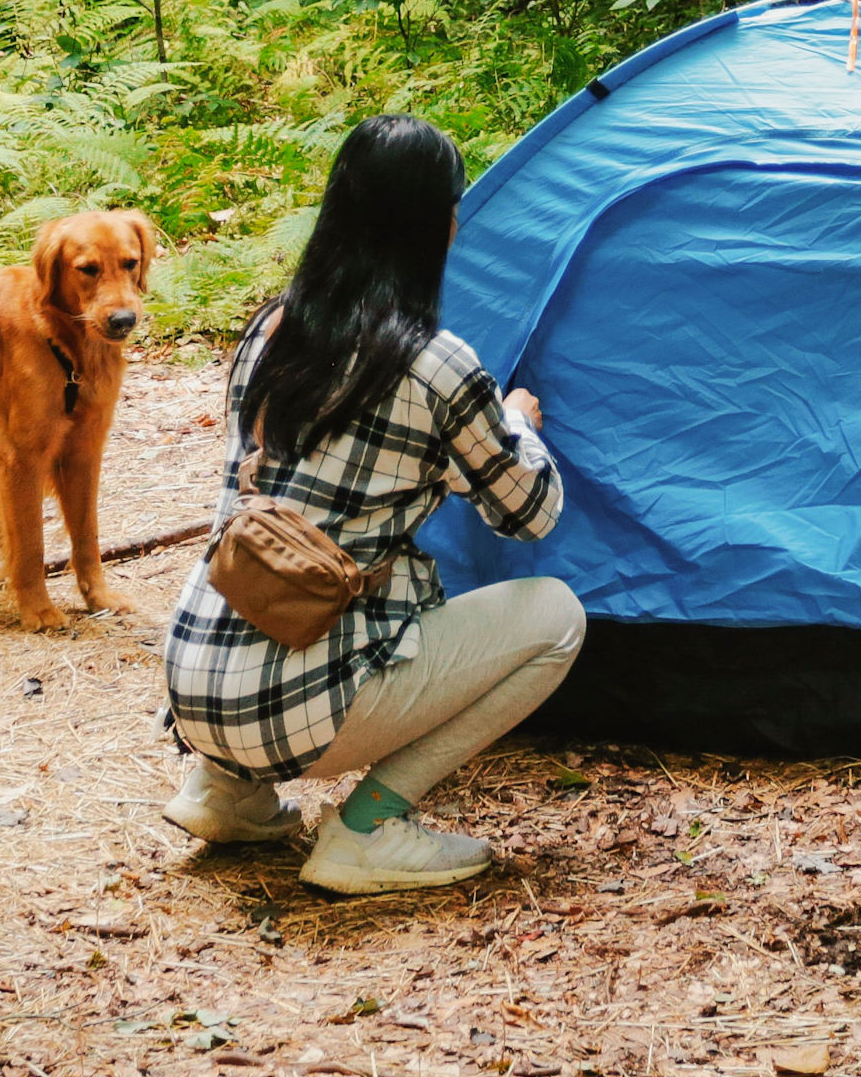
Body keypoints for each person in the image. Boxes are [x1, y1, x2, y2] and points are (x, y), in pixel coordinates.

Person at [162, 114, 580, 894]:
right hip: (296, 705)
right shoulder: (433, 364)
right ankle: (369, 828)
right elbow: (530, 515)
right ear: (439, 224)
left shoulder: (271, 327)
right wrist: (518, 423)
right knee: (558, 617)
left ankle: (226, 792)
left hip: (195, 676)